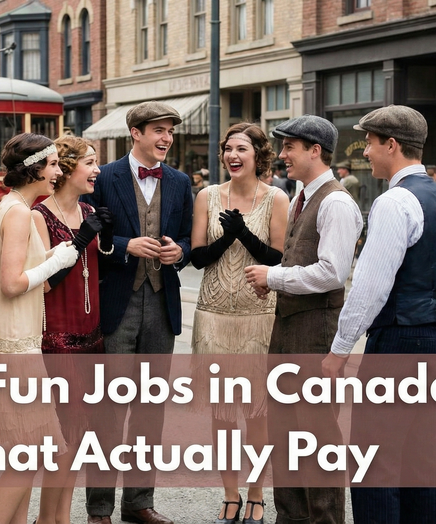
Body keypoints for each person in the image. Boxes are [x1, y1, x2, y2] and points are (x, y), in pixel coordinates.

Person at [321, 105, 436, 524]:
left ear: (392, 144)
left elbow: (370, 287)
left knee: (375, 458)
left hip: (399, 339)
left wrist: (339, 350)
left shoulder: (393, 202)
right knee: (422, 452)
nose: (365, 151)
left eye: (368, 142)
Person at [244, 115, 363, 524]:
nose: (281, 155)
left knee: (317, 438)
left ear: (316, 151)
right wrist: (276, 284)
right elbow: (303, 260)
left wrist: (274, 276)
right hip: (289, 329)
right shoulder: (302, 196)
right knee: (285, 436)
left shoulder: (336, 201)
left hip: (315, 334)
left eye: (289, 147)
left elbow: (332, 271)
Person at [84, 101, 193, 524]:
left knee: (150, 409)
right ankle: (99, 508)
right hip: (116, 304)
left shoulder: (181, 182)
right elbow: (89, 236)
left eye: (170, 132)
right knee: (108, 409)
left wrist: (178, 252)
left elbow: (185, 236)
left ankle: (139, 503)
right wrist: (124, 245)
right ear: (136, 133)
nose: (166, 138)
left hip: (162, 304)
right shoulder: (103, 177)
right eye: (158, 131)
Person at [0, 133, 79, 524]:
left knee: (26, 452)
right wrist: (55, 263)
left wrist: (53, 254)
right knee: (30, 454)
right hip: (14, 348)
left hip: (3, 344)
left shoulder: (6, 206)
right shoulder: (19, 213)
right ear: (34, 168)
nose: (58, 171)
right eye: (52, 165)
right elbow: (9, 283)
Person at [189, 123, 288, 524]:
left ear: (258, 155)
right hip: (213, 315)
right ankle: (230, 493)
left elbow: (277, 259)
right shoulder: (207, 197)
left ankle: (256, 493)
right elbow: (196, 258)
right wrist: (226, 238)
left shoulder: (277, 198)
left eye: (241, 149)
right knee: (222, 413)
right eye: (228, 148)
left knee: (257, 413)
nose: (232, 155)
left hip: (258, 317)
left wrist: (242, 232)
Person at [31, 135, 112, 524]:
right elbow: (44, 281)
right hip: (58, 337)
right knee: (62, 437)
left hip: (92, 334)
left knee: (81, 438)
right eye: (91, 162)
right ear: (65, 168)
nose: (98, 170)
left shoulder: (88, 209)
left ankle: (61, 515)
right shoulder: (37, 215)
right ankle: (49, 518)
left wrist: (105, 238)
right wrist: (82, 240)